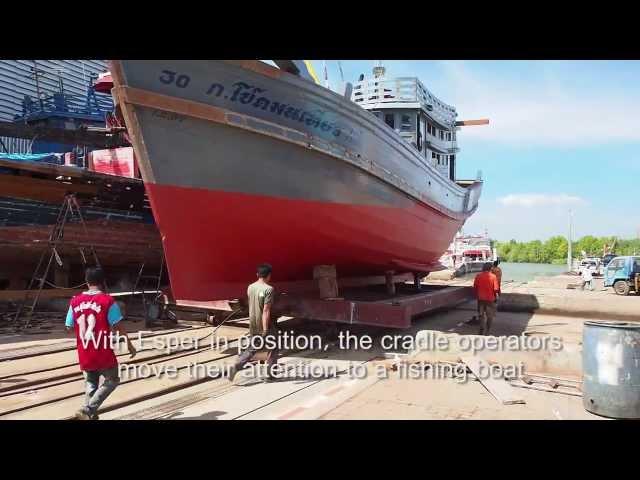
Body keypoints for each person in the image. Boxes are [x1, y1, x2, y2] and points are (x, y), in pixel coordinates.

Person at [65, 267, 137, 420]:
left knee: (91, 383)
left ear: (86, 281)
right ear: (103, 282)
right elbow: (118, 326)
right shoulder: (108, 301)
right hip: (102, 350)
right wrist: (129, 344)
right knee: (112, 379)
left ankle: (90, 414)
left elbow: (69, 327)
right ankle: (88, 409)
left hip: (84, 350)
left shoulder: (74, 301)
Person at [228, 263, 278, 382]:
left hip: (253, 323)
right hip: (264, 324)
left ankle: (236, 365)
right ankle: (270, 375)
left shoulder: (250, 287)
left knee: (252, 348)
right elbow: (266, 310)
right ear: (269, 275)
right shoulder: (269, 289)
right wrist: (265, 329)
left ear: (257, 275)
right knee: (273, 347)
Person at [473, 263, 500, 335]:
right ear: (490, 268)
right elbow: (496, 289)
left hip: (480, 298)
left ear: (483, 268)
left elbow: (475, 287)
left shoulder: (478, 276)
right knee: (490, 316)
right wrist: (497, 297)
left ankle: (481, 327)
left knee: (481, 314)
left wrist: (476, 295)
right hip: (490, 299)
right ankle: (487, 331)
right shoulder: (493, 277)